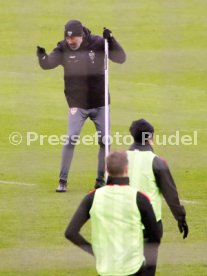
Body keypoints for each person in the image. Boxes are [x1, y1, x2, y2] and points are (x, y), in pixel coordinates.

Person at [36, 19, 126, 192]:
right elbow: (48, 64)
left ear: (82, 36)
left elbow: (121, 58)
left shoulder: (99, 43)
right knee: (70, 139)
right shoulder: (63, 47)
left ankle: (101, 180)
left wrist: (112, 40)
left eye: (73, 39)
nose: (70, 42)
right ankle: (62, 180)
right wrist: (42, 57)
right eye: (68, 38)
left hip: (100, 103)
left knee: (105, 141)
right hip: (77, 104)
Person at [65, 151, 160, 276]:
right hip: (133, 267)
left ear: (106, 170)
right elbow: (155, 236)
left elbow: (71, 232)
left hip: (106, 269)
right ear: (127, 169)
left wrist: (95, 252)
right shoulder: (139, 198)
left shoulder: (92, 198)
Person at [127, 118, 189, 275]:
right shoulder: (156, 162)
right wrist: (180, 218)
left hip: (124, 223)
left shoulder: (117, 159)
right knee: (148, 269)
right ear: (149, 137)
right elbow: (171, 195)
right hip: (150, 226)